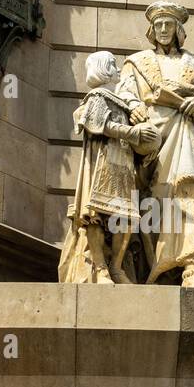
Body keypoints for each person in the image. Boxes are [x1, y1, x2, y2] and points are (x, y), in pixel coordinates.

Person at [116, 2, 194, 288]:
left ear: (178, 30)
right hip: (152, 140)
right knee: (153, 204)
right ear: (151, 30)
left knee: (193, 196)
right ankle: (152, 269)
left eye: (169, 24)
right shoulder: (137, 62)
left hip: (188, 139)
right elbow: (124, 93)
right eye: (159, 25)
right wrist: (132, 106)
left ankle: (193, 269)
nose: (164, 30)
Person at [58, 52, 160, 284]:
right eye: (113, 65)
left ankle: (116, 267)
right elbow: (97, 124)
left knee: (124, 216)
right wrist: (134, 133)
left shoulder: (120, 100)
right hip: (100, 163)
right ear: (104, 69)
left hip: (122, 164)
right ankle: (101, 267)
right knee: (95, 215)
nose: (117, 68)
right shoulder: (97, 95)